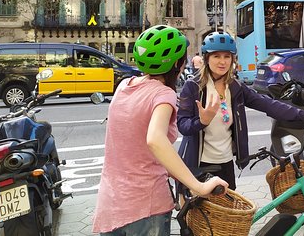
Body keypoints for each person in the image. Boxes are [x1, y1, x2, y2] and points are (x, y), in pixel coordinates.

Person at [92, 25, 227, 236]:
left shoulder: (124, 86)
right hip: (145, 206)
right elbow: (155, 140)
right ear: (177, 63)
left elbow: (141, 148)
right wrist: (199, 186)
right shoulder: (163, 95)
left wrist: (186, 180)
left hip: (111, 203)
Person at [177, 31, 304, 190]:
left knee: (229, 212)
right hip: (200, 165)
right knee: (204, 214)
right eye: (216, 56)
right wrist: (202, 121)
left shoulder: (235, 87)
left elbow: (268, 104)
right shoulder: (193, 87)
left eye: (227, 56)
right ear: (207, 58)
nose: (222, 62)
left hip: (226, 162)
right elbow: (183, 125)